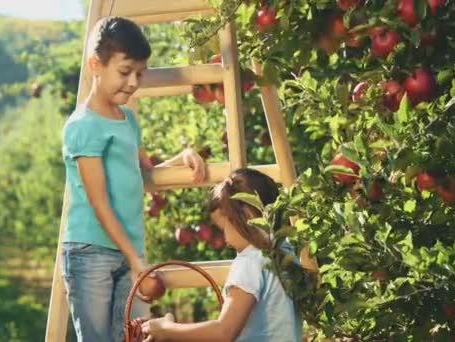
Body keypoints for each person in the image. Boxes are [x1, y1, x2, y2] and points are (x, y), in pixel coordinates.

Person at [60, 16, 207, 342]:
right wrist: (136, 260)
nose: (132, 82)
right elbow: (99, 202)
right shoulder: (83, 126)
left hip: (129, 252)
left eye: (139, 73)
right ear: (95, 65)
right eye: (124, 72)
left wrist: (183, 156)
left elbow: (142, 173)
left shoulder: (127, 118)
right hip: (91, 252)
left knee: (133, 337)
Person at [141, 168, 303, 341]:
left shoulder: (249, 262)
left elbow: (224, 332)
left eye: (223, 228)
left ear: (246, 216)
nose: (225, 239)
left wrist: (168, 330)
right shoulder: (286, 251)